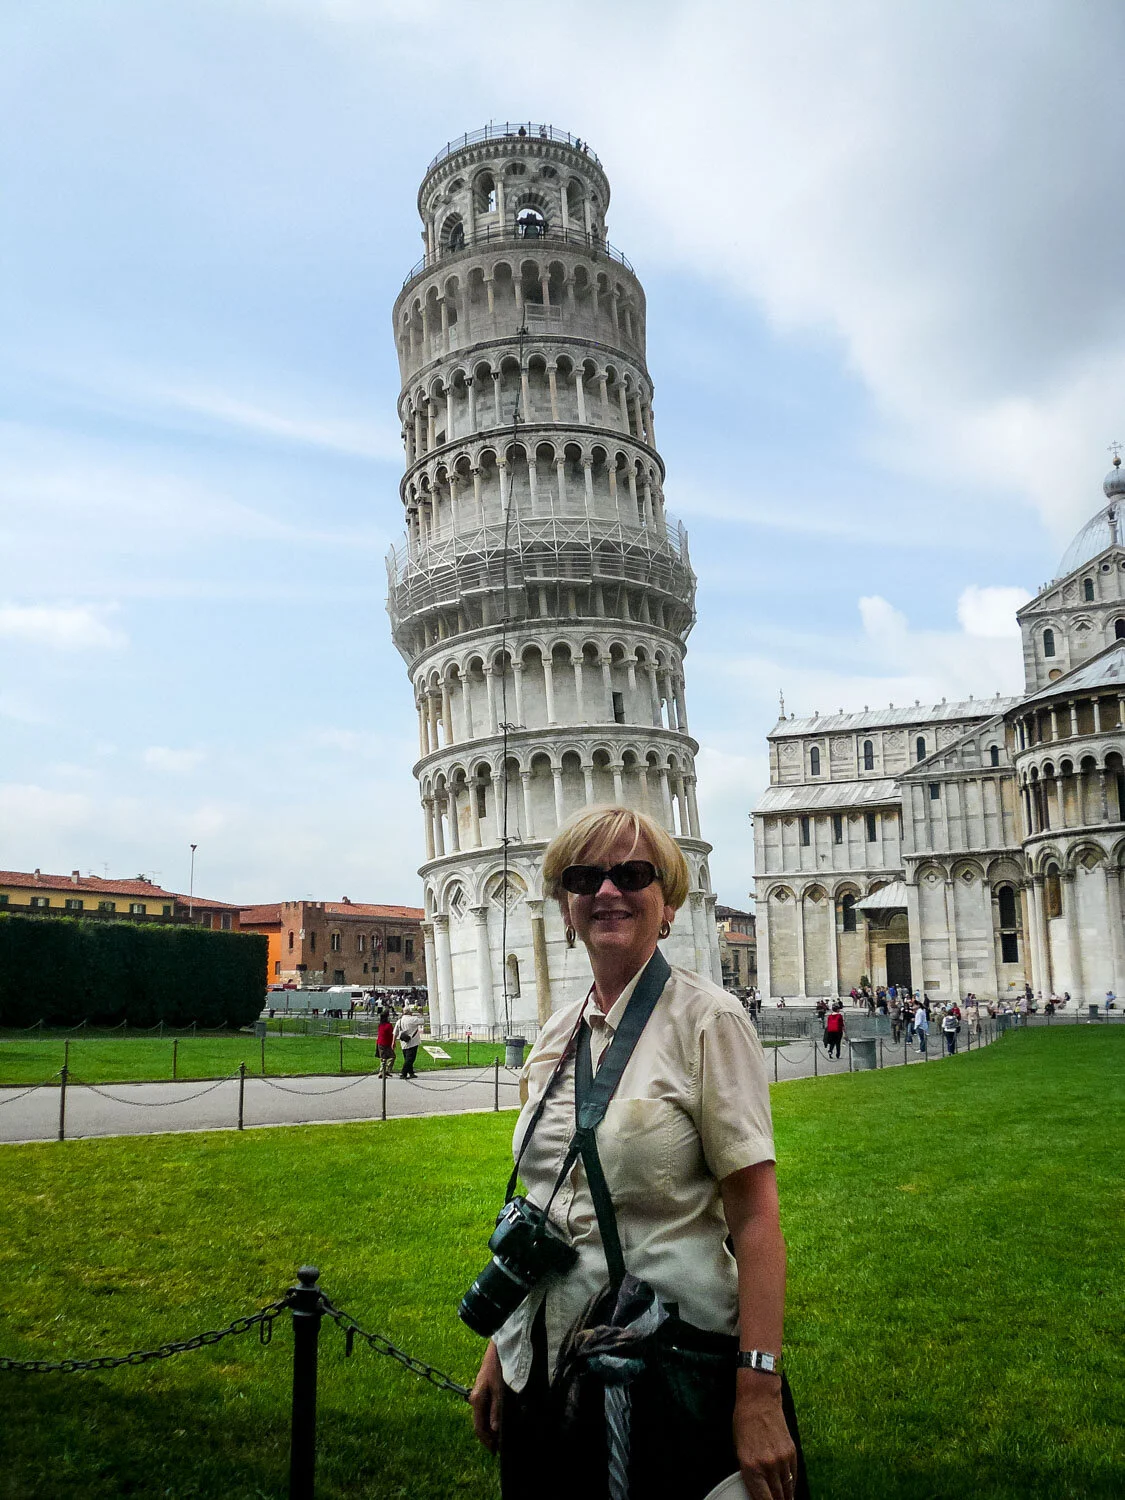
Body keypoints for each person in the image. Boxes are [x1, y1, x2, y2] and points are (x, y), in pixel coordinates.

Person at [469, 806, 806, 1500]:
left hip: (662, 1371)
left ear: (668, 903)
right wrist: (503, 1349)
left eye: (631, 874)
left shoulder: (708, 1022)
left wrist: (758, 1392)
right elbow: (548, 1205)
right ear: (565, 907)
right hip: (546, 1371)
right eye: (583, 877)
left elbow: (755, 1221)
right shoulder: (557, 1035)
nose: (606, 891)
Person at [396, 1004, 423, 1079]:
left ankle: (411, 1072)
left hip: (403, 1042)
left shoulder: (399, 1021)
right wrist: (420, 1013)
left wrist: (393, 1042)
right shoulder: (413, 1019)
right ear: (410, 1012)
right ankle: (403, 1073)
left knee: (407, 1058)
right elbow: (422, 1021)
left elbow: (395, 1032)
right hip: (413, 1042)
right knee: (410, 1059)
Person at [376, 1009, 396, 1078]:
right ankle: (385, 1070)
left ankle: (382, 1071)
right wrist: (393, 1042)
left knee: (383, 1058)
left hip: (380, 1043)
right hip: (386, 1043)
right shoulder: (388, 1025)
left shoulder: (380, 1025)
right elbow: (391, 1034)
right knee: (392, 1057)